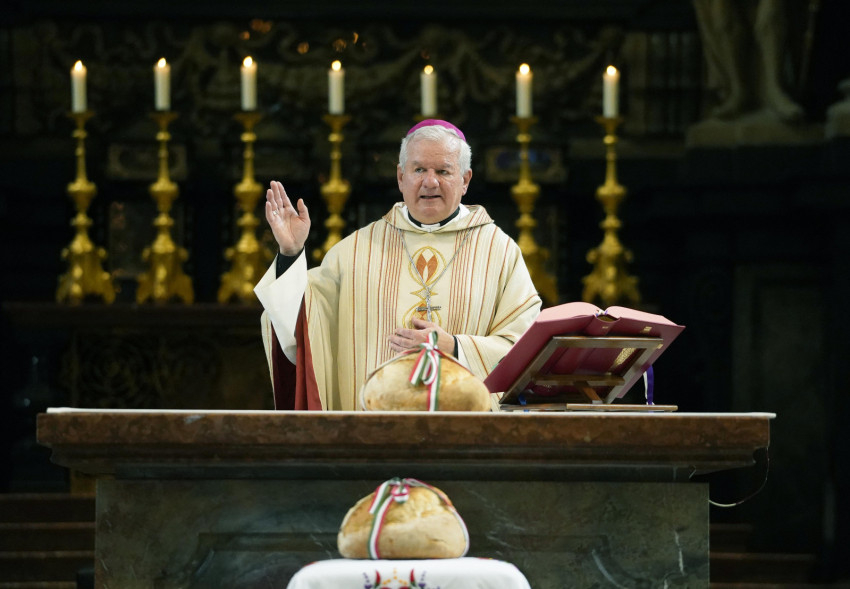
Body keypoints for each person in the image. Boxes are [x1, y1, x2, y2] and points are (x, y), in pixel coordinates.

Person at [254, 119, 542, 410]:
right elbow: (303, 329)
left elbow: (525, 347)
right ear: (401, 177)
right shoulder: (354, 252)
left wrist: (455, 347)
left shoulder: (499, 251)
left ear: (465, 180)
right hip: (373, 428)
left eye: (443, 171)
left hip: (465, 428)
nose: (430, 182)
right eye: (419, 170)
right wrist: (290, 253)